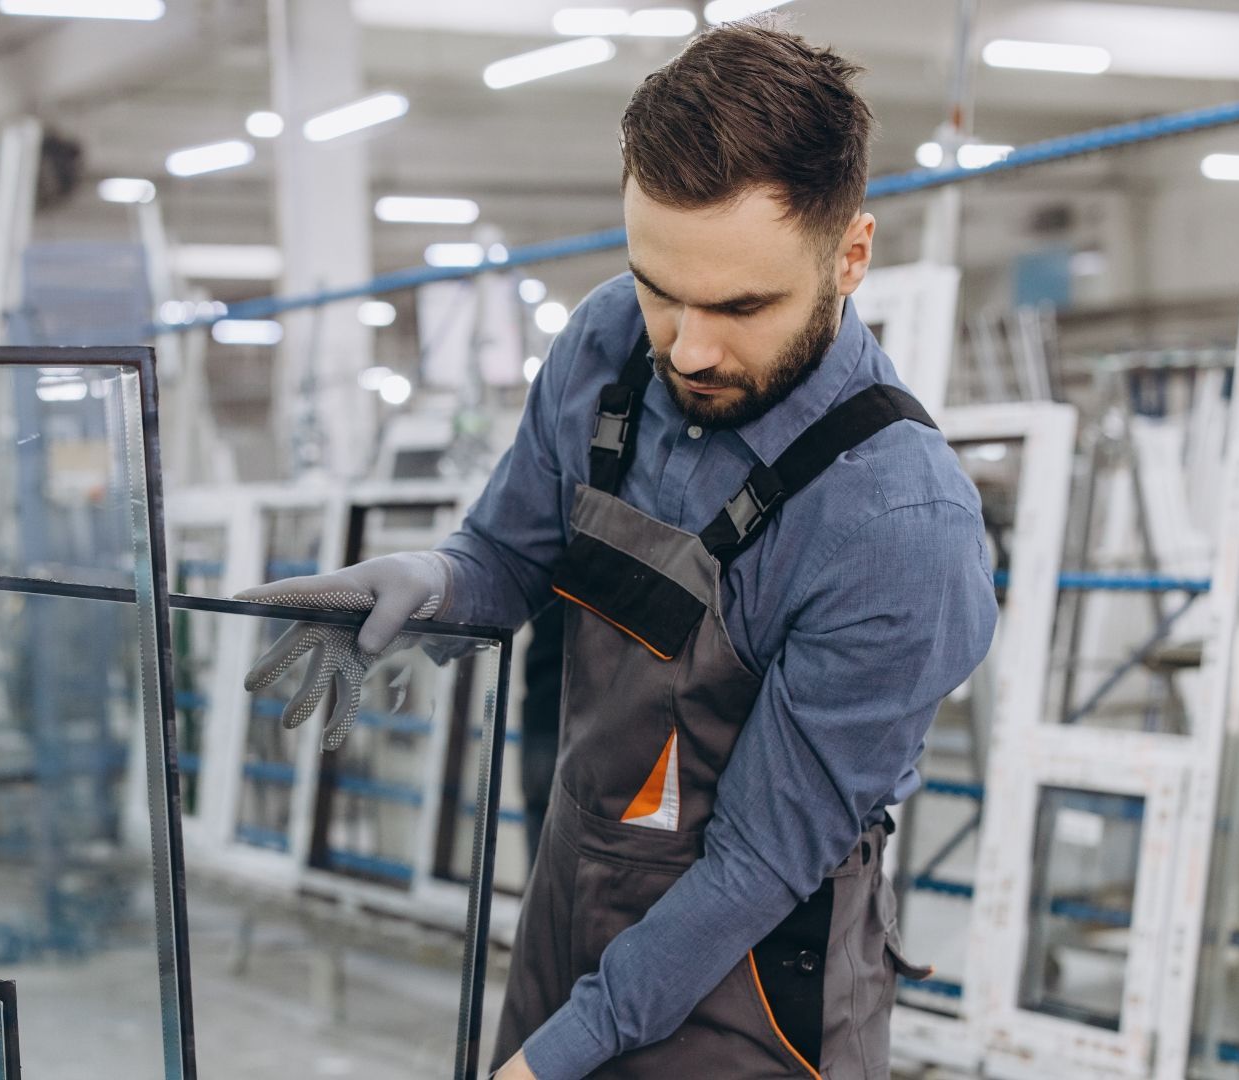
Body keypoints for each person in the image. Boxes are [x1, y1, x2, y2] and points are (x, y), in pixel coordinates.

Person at [238, 18, 998, 1080]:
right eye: (660, 289)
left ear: (851, 257)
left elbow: (757, 861)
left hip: (750, 982)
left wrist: (567, 1054)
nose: (688, 348)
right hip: (566, 908)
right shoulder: (605, 343)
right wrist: (431, 586)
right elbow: (510, 557)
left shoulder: (895, 527)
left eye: (741, 306)